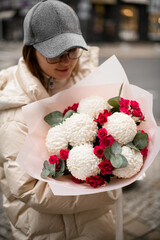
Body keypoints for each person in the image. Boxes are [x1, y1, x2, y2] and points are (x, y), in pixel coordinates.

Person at [0, 1, 122, 239]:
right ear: (31, 50)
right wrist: (110, 188)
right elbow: (29, 190)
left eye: (72, 50)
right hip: (45, 231)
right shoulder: (14, 109)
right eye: (55, 54)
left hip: (96, 227)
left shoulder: (92, 83)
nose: (66, 61)